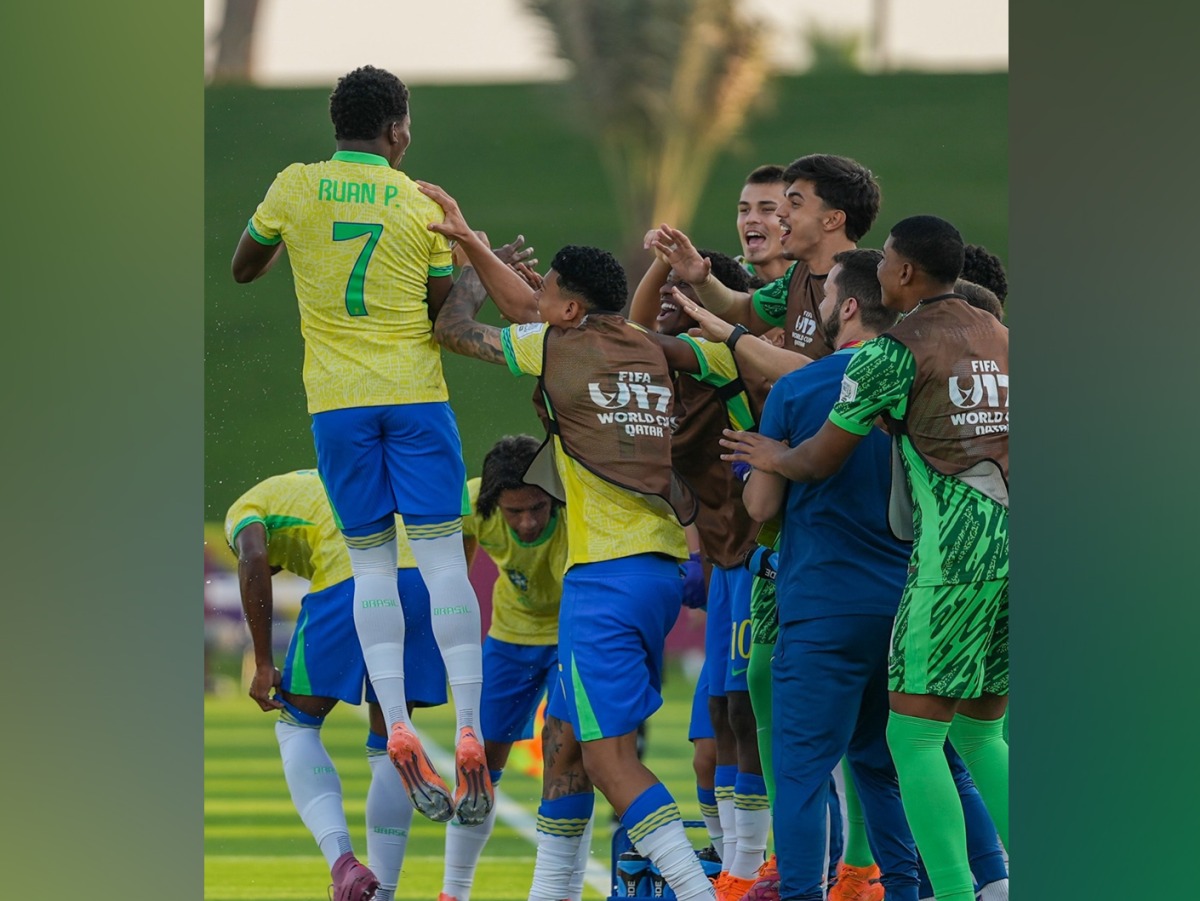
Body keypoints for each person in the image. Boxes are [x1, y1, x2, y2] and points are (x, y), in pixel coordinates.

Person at [417, 179, 719, 901]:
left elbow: (456, 331)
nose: (537, 301)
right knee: (571, 747)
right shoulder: (650, 347)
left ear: (573, 310)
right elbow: (535, 310)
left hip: (603, 577)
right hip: (661, 570)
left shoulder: (557, 352)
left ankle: (699, 892)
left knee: (611, 759)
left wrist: (467, 257)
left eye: (548, 295)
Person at [228, 64, 499, 827]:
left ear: (335, 125)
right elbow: (448, 317)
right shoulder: (419, 202)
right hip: (417, 397)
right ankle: (469, 726)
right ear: (398, 130)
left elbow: (244, 267)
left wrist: (299, 246)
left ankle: (396, 722)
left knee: (372, 562)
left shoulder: (296, 186)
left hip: (338, 408)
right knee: (443, 560)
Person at [719, 216, 1009, 901]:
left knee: (865, 753)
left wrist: (772, 457)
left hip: (908, 577)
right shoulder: (996, 339)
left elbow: (797, 476)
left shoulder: (865, 366)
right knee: (958, 741)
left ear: (898, 276)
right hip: (972, 567)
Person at [225, 468, 448, 901]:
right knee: (390, 741)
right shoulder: (316, 484)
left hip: (352, 578)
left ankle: (344, 865)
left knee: (296, 724)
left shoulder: (245, 509)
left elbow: (251, 557)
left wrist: (264, 661)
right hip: (421, 581)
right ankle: (381, 895)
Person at [440, 434, 575, 901]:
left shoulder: (576, 504)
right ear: (495, 504)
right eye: (515, 511)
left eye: (538, 507)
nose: (528, 521)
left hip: (572, 639)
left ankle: (564, 891)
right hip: (509, 637)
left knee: (568, 762)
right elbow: (450, 562)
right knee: (477, 765)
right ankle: (452, 893)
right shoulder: (476, 506)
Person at [649, 153, 881, 382]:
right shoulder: (798, 274)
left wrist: (733, 337)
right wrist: (702, 280)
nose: (781, 212)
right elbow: (747, 313)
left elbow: (824, 376)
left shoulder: (866, 286)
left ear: (832, 220)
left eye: (795, 204)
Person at [735, 165, 792, 284]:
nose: (750, 219)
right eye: (744, 210)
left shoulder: (826, 284)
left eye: (767, 209)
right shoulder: (719, 284)